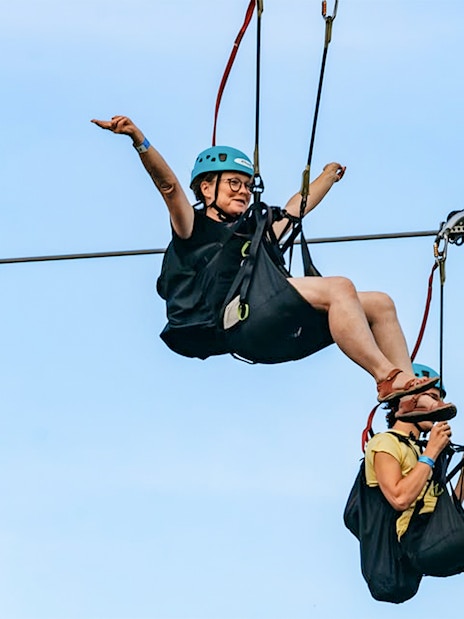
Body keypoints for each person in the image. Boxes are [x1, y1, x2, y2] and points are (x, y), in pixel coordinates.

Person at [92, 116, 454, 416]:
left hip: (272, 329)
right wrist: (140, 140)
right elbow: (169, 188)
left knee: (380, 303)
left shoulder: (254, 232)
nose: (242, 192)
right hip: (240, 321)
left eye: (247, 186)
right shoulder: (193, 228)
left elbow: (296, 209)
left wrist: (328, 175)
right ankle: (385, 376)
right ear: (206, 189)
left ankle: (409, 398)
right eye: (233, 183)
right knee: (339, 287)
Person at [365, 364, 461, 546]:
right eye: (431, 399)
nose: (435, 409)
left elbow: (444, 511)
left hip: (436, 536)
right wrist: (432, 452)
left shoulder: (421, 450)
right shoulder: (385, 442)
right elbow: (400, 498)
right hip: (415, 542)